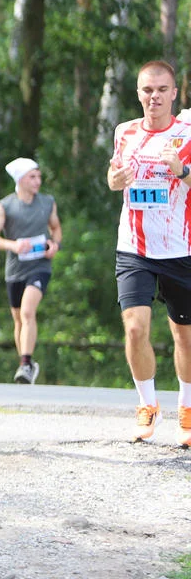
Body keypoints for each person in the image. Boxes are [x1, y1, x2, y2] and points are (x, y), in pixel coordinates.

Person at [106, 60, 191, 447]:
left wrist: (183, 172)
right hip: (134, 247)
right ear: (138, 93)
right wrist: (114, 180)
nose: (153, 97)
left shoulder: (188, 132)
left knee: (184, 336)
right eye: (146, 90)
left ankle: (187, 408)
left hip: (180, 248)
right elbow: (113, 177)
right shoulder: (124, 132)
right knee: (135, 327)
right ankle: (147, 405)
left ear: (174, 93)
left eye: (161, 90)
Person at [0, 157, 62, 384]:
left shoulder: (47, 203)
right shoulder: (5, 206)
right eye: (32, 177)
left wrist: (55, 245)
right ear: (20, 179)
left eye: (39, 176)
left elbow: (56, 229)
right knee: (18, 319)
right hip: (15, 269)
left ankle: (25, 364)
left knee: (27, 312)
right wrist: (13, 245)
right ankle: (25, 363)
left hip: (40, 267)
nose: (38, 181)